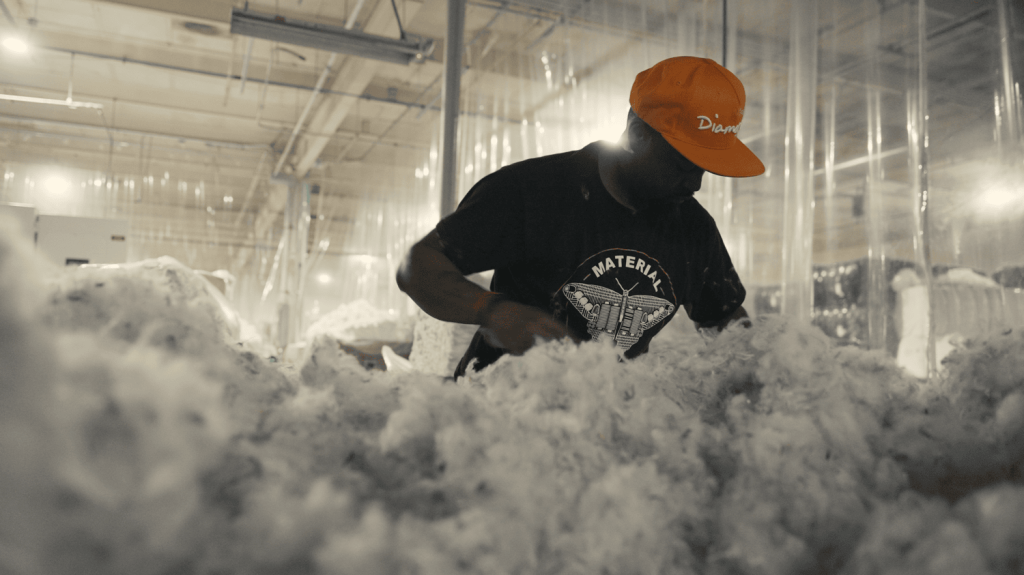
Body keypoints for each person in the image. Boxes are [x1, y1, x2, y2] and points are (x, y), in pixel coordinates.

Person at [396, 56, 765, 379]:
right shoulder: (534, 191)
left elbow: (726, 323)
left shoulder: (694, 230)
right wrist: (492, 311)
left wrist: (765, 369)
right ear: (638, 134)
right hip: (500, 413)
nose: (696, 184)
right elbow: (418, 265)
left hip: (601, 422)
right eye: (684, 165)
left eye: (705, 169)